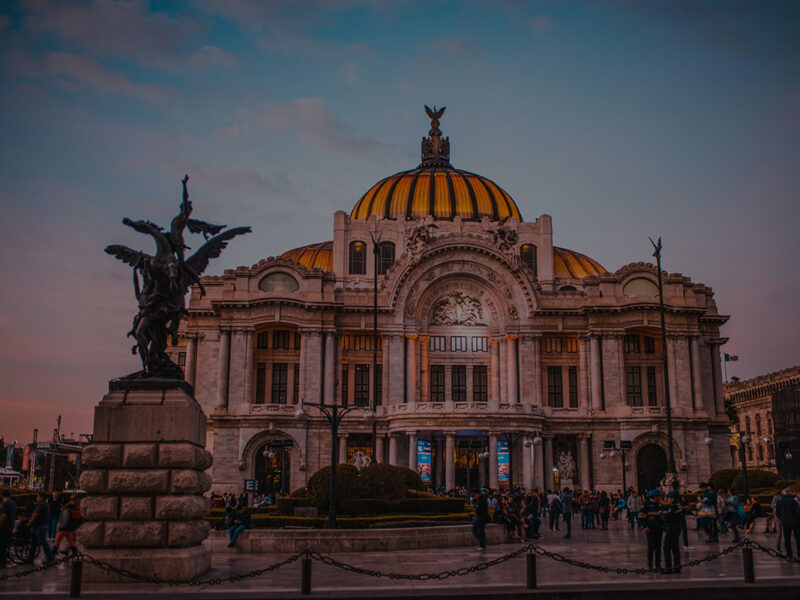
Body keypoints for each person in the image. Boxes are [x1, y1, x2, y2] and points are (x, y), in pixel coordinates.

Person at [28, 492, 55, 563]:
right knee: (35, 542)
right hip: (42, 525)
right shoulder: (46, 504)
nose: (37, 498)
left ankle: (50, 557)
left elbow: (35, 515)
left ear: (42, 498)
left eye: (38, 497)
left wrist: (29, 523)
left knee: (42, 542)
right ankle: (31, 558)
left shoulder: (41, 505)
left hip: (40, 526)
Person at [642, 489, 664, 572]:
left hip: (659, 529)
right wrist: (645, 526)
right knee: (651, 547)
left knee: (658, 548)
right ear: (655, 496)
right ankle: (650, 565)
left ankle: (658, 565)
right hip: (650, 529)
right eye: (659, 496)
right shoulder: (646, 504)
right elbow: (641, 516)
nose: (660, 497)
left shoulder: (660, 505)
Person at [775, 487, 800, 558]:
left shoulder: (779, 502)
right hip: (795, 522)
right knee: (798, 538)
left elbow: (777, 513)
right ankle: (799, 553)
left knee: (787, 539)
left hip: (785, 522)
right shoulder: (793, 501)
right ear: (790, 493)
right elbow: (797, 512)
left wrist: (782, 518)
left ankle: (789, 553)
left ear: (784, 493)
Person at [662, 491, 683, 573]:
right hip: (677, 529)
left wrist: (661, 514)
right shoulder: (678, 506)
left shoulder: (673, 507)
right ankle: (677, 565)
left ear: (673, 499)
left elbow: (666, 517)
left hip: (671, 529)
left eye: (668, 498)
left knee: (666, 548)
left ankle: (668, 567)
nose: (667, 499)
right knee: (675, 548)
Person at [0, 490, 17, 568]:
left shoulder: (6, 503)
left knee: (1, 545)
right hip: (10, 526)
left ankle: (2, 562)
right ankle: (4, 561)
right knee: (4, 545)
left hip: (4, 527)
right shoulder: (13, 503)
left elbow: (4, 515)